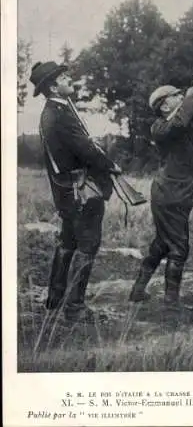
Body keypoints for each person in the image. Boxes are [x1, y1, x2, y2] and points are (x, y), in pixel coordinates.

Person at [129, 56, 193, 309]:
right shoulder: (159, 127)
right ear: (163, 105)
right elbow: (180, 122)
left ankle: (138, 290)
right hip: (170, 195)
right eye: (176, 95)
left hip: (178, 194)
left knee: (163, 243)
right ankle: (171, 303)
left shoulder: (185, 117)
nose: (181, 95)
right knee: (179, 248)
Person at [30, 61, 121, 321]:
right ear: (53, 86)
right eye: (63, 76)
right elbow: (85, 150)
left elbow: (76, 147)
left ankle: (55, 299)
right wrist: (110, 165)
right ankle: (74, 307)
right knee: (87, 245)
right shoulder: (59, 113)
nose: (69, 78)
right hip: (81, 191)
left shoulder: (53, 111)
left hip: (68, 192)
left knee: (68, 243)